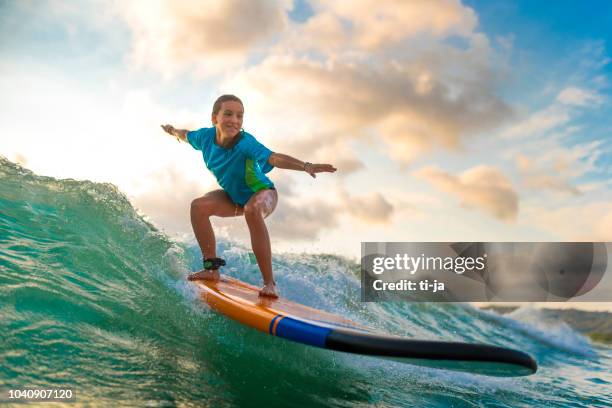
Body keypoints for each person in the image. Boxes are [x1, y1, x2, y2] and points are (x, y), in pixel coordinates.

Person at [161, 94, 336, 298]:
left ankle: (269, 283)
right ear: (214, 118)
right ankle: (211, 268)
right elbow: (186, 134)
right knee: (198, 206)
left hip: (264, 193)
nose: (234, 120)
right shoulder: (204, 138)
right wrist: (172, 131)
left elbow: (274, 157)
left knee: (252, 210)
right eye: (228, 114)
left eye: (239, 116)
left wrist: (306, 166)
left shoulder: (245, 143)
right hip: (235, 197)